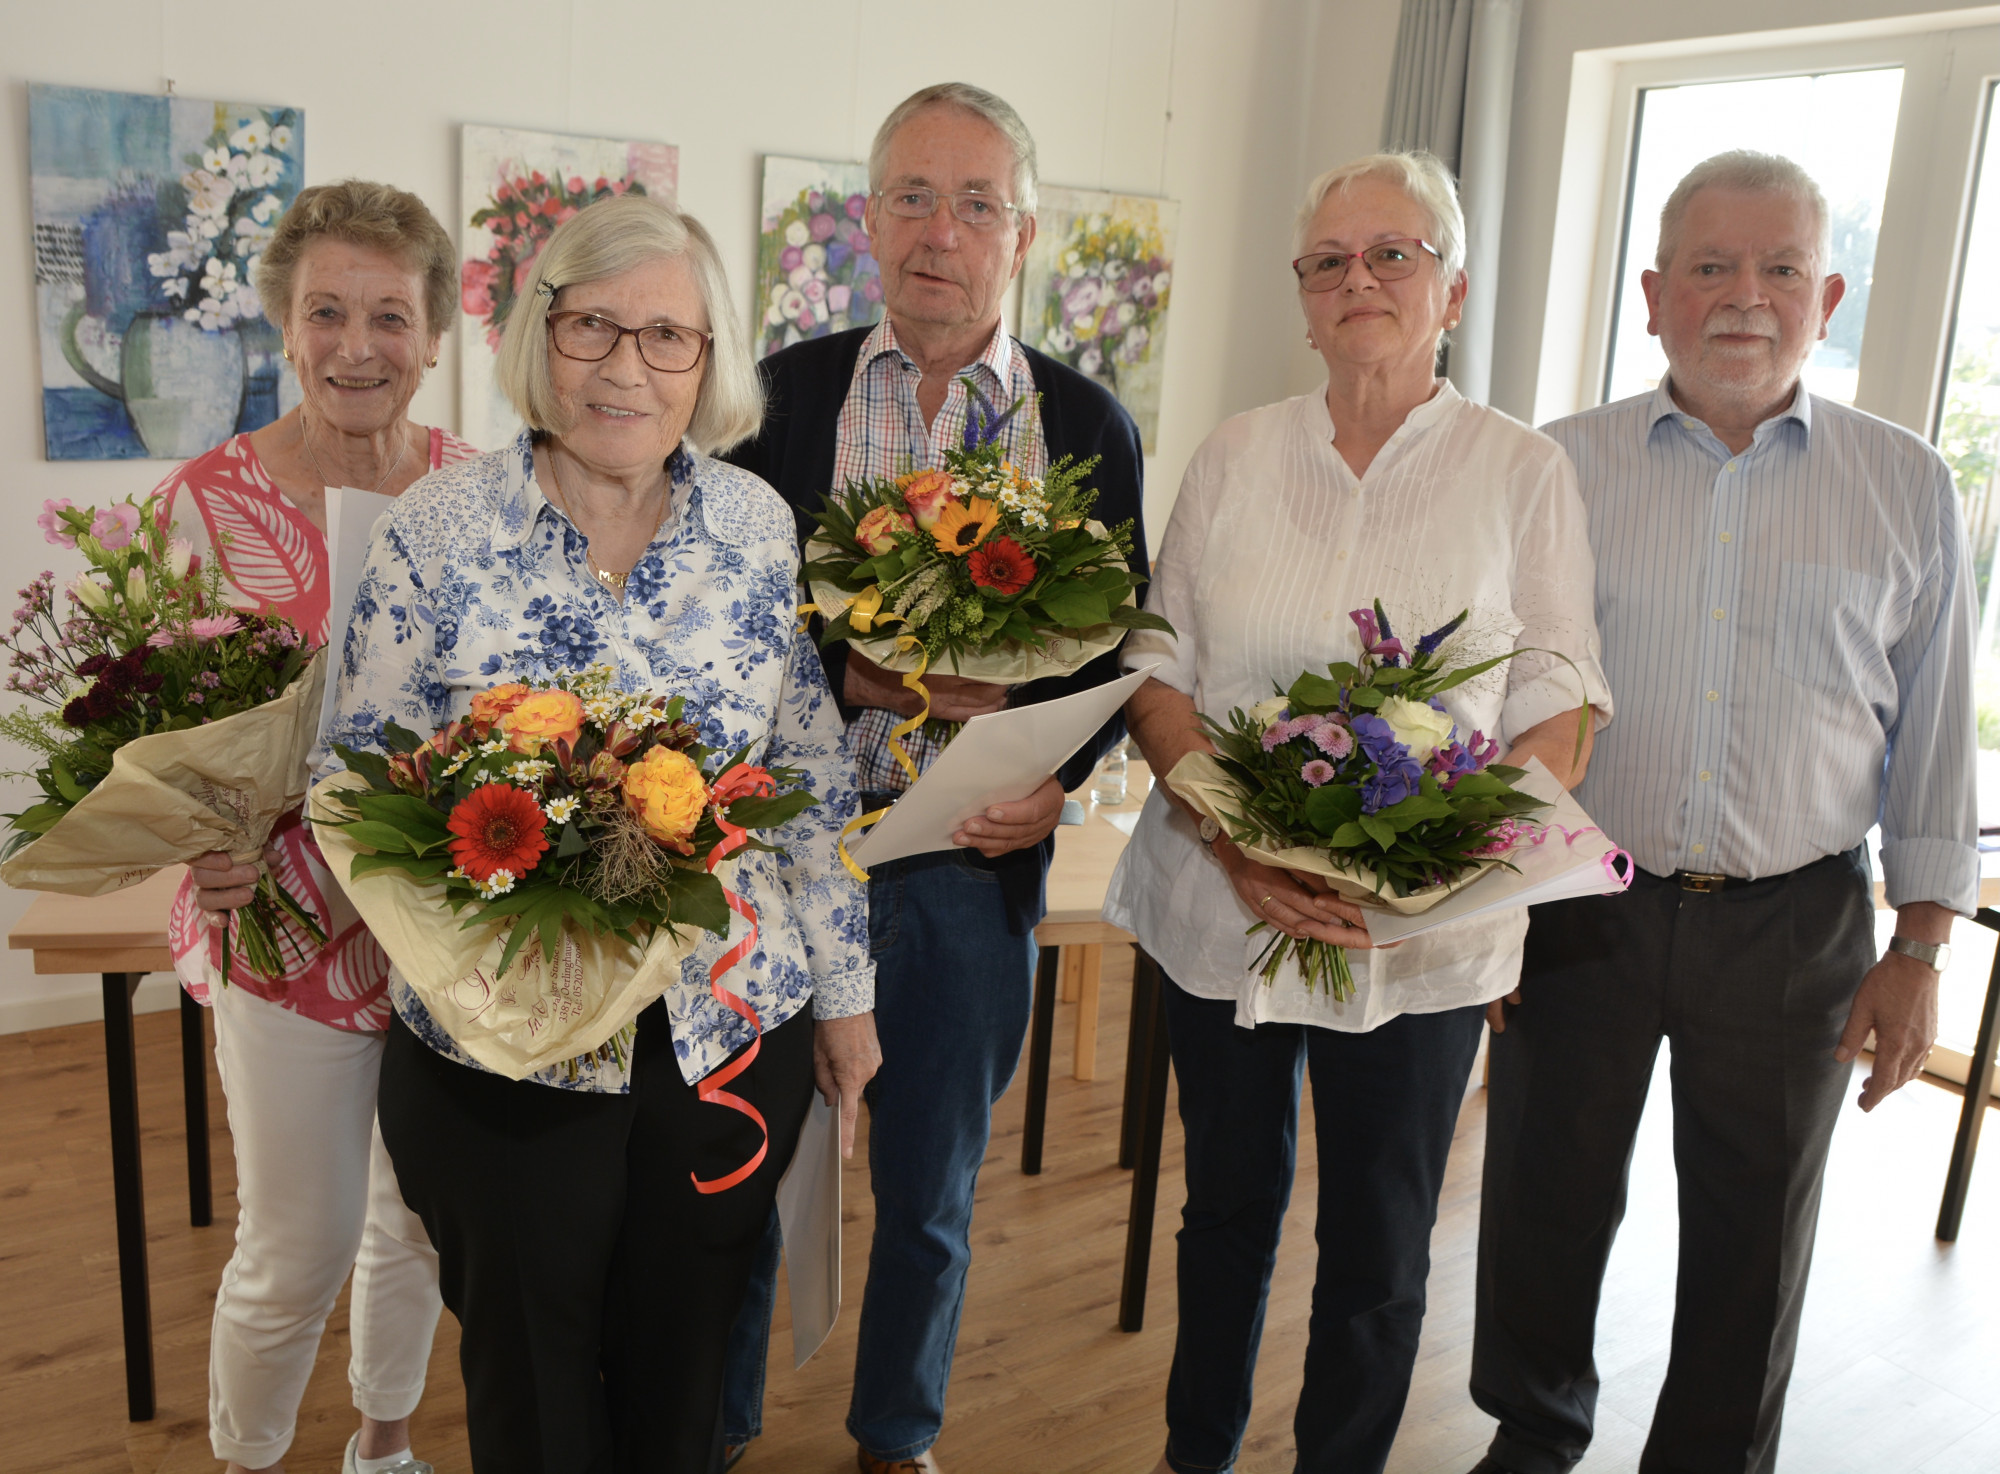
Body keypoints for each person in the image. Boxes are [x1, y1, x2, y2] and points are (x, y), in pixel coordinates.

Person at [321, 192, 880, 1474]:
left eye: (666, 335)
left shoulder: (754, 527)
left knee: (683, 1386)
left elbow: (805, 769)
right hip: (505, 1052)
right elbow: (349, 778)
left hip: (723, 1036)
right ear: (541, 334)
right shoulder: (437, 530)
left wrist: (846, 999)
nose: (627, 366)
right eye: (592, 328)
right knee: (530, 1391)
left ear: (707, 358)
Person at [1466, 150, 1977, 1474]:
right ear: (1653, 295)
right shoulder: (1554, 466)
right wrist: (1482, 903)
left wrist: (1921, 948)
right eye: (1709, 266)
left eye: (1780, 268)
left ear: (1827, 297)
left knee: (1755, 1228)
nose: (1745, 296)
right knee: (1541, 1192)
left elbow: (1933, 734)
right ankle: (1532, 1430)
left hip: (1796, 923)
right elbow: (1490, 696)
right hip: (1579, 900)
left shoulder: (1907, 483)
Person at [1106, 151, 1610, 1474]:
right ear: (1303, 298)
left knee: (1380, 1250)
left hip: (1420, 939)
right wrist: (1233, 834)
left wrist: (1427, 873)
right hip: (1223, 906)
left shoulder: (1521, 470)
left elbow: (1561, 699)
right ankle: (1196, 1454)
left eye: (1393, 254)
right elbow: (1155, 664)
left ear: (1451, 289)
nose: (1359, 280)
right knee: (1224, 1212)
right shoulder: (1234, 453)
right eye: (1328, 261)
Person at [717, 82, 1144, 1474]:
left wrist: (1058, 778)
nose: (938, 232)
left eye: (974, 204)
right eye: (911, 196)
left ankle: (895, 1435)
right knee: (738, 1172)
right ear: (868, 219)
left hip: (971, 859)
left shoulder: (1089, 426)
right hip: (780, 858)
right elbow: (717, 622)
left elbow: (1116, 651)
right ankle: (713, 1429)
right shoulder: (777, 400)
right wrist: (857, 675)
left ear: (1023, 234)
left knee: (932, 1192)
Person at [172, 178, 475, 1474]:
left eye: (390, 315)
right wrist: (196, 834)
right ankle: (247, 1458)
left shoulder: (483, 492)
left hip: (446, 923)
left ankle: (384, 1444)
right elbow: (146, 727)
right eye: (327, 312)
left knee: (413, 1221)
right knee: (296, 1243)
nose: (358, 345)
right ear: (285, 328)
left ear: (434, 334)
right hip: (284, 922)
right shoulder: (209, 502)